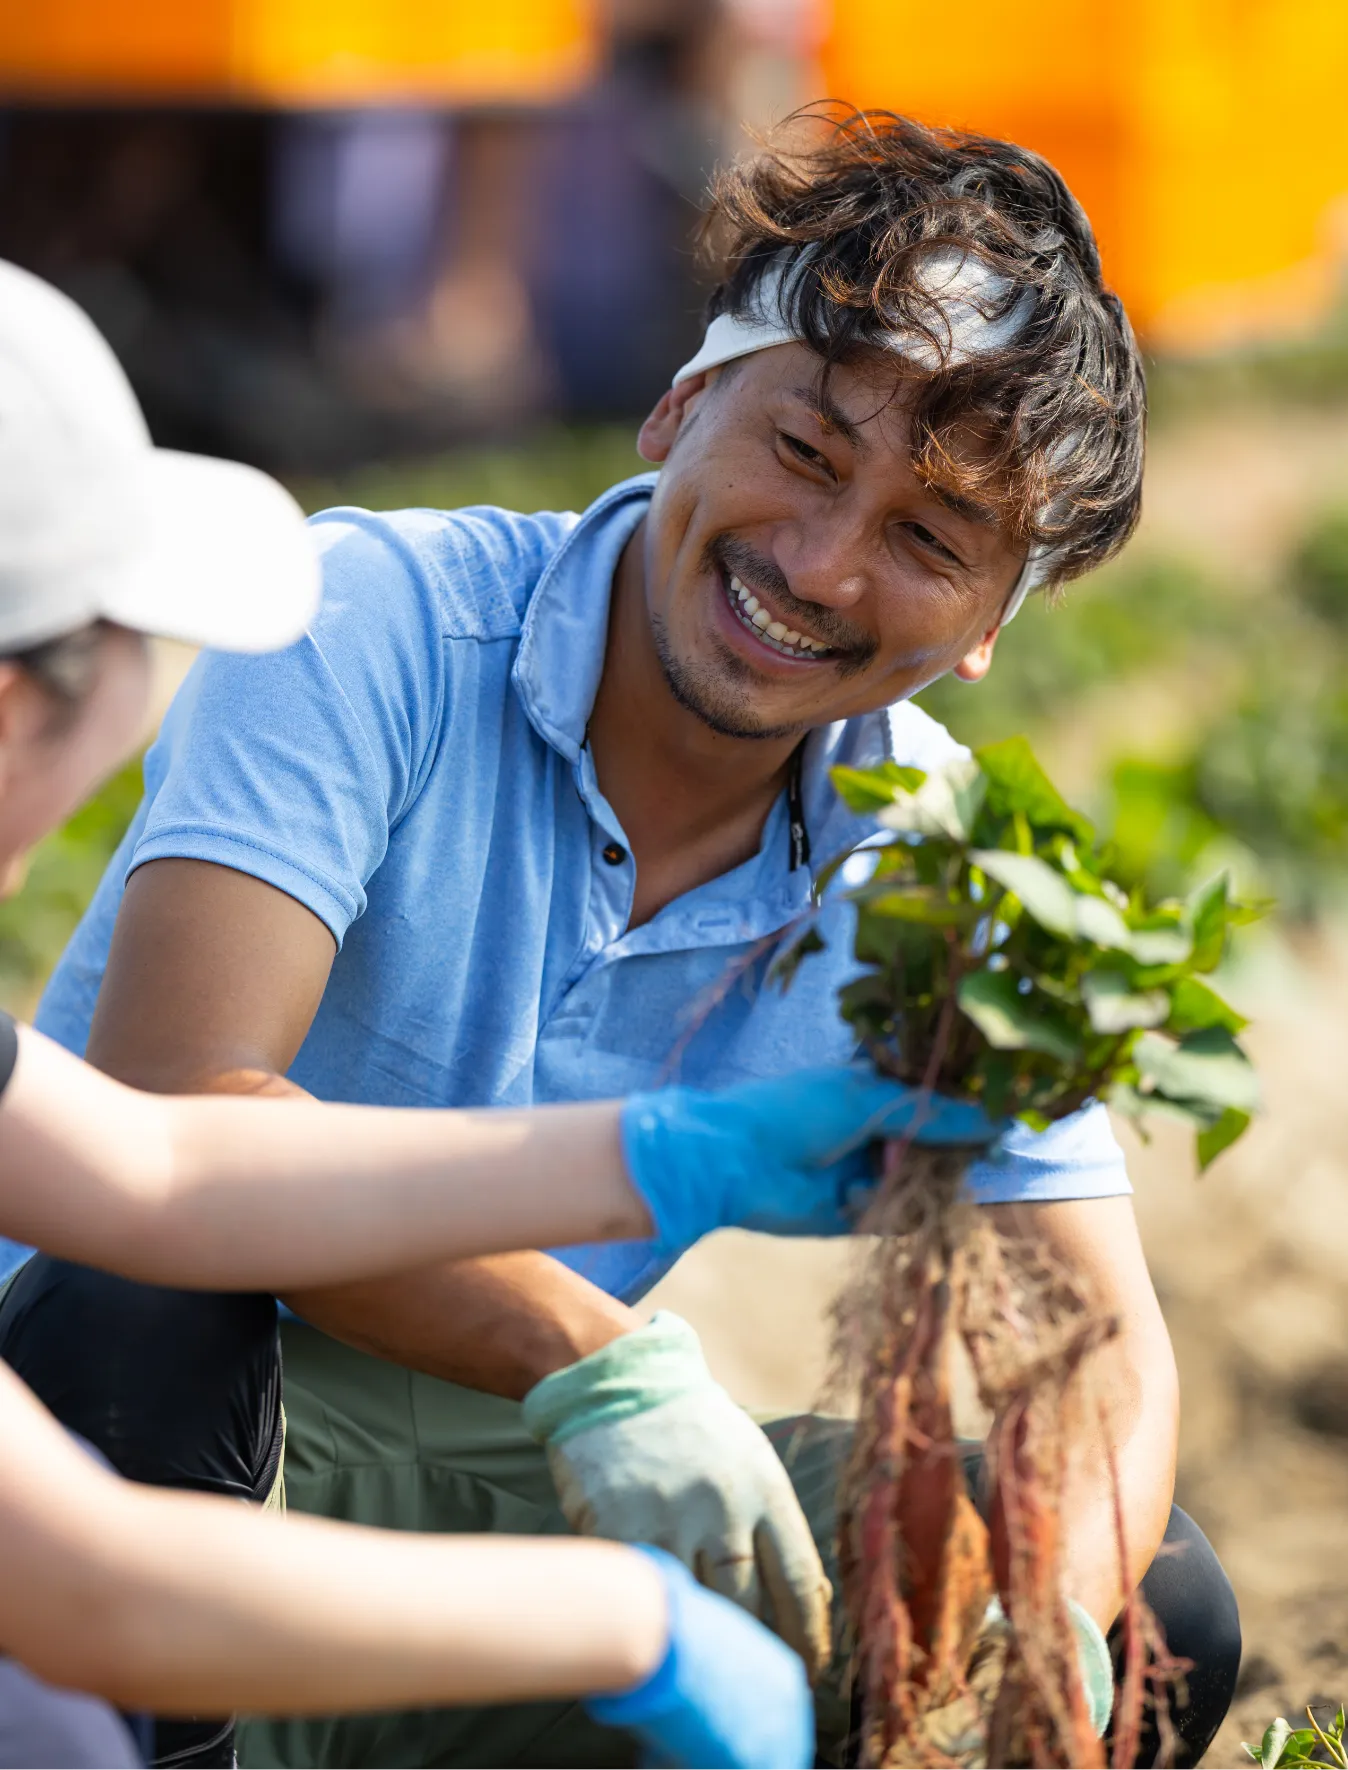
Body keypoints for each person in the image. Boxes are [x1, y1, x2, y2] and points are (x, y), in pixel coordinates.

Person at [15, 110, 1242, 1770]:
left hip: (525, 1492)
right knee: (132, 1313)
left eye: (930, 538)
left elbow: (1098, 1345)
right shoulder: (371, 624)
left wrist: (1043, 1630)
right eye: (805, 451)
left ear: (985, 633)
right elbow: (165, 1142)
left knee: (1151, 1594)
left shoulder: (942, 866)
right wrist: (597, 1353)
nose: (819, 563)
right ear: (679, 405)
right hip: (155, 1483)